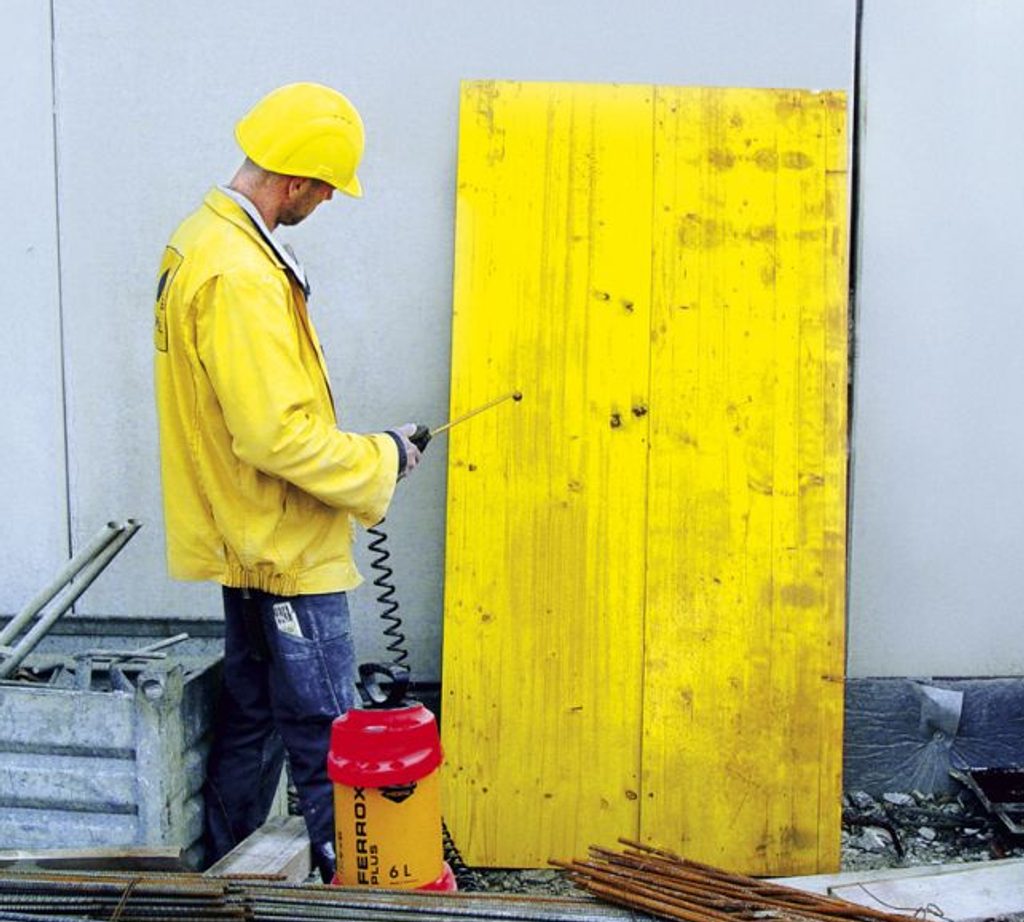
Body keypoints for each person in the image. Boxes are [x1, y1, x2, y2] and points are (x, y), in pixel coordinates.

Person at [153, 82, 422, 883]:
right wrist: (379, 459)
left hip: (244, 535)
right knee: (325, 727)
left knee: (253, 718)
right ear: (296, 181)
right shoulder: (240, 273)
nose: (330, 200)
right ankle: (352, 882)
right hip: (286, 544)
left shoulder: (199, 240)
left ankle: (225, 877)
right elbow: (275, 435)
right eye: (327, 187)